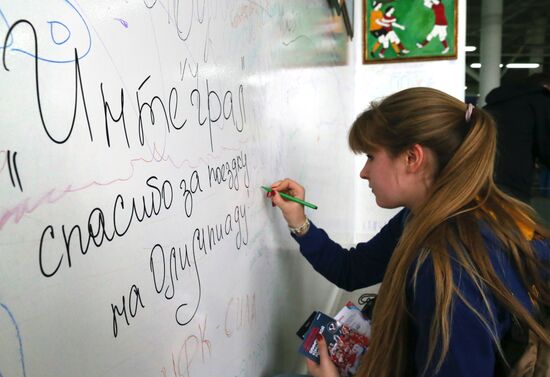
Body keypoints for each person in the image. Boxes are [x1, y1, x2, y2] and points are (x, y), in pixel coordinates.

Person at [267, 87, 550, 377]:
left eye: (370, 157)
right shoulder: (428, 215)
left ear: (412, 158)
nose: (364, 172)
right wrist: (299, 223)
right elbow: (352, 270)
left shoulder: (451, 267)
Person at [483, 73, 550, 204]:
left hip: (478, 180)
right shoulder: (540, 100)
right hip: (513, 185)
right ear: (545, 87)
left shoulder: (490, 106)